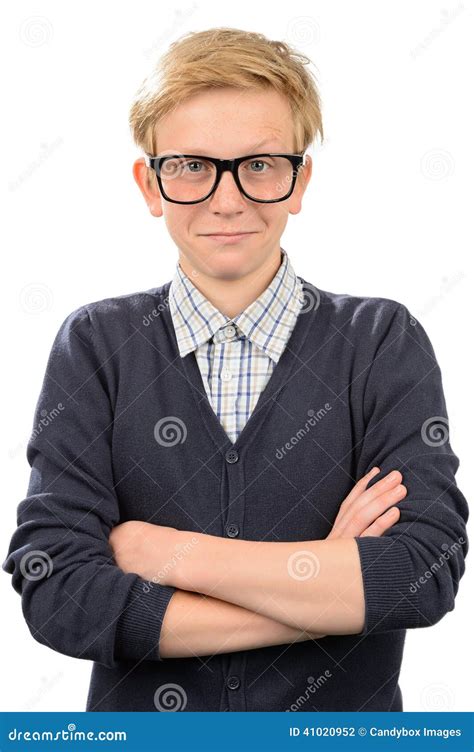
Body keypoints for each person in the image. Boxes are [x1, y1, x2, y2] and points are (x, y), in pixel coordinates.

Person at [3, 27, 468, 713]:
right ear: (151, 183)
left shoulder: (380, 342)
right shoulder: (97, 345)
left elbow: (420, 573)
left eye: (259, 164)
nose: (226, 199)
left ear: (299, 179)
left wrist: (164, 552)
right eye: (191, 165)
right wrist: (325, 587)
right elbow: (62, 594)